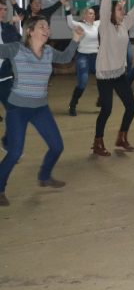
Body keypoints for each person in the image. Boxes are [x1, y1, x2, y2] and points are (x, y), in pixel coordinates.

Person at [0, 16, 84, 207]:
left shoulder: (48, 52)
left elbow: (65, 58)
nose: (47, 30)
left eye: (48, 27)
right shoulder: (16, 49)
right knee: (15, 152)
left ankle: (44, 176)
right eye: (42, 26)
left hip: (40, 108)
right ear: (30, 31)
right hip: (18, 108)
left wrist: (76, 39)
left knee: (57, 146)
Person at [92, 0, 134, 157]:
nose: (123, 12)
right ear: (111, 12)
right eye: (119, 9)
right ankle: (97, 142)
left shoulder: (124, 24)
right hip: (104, 74)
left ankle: (121, 138)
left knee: (131, 107)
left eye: (121, 9)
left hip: (119, 73)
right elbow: (104, 8)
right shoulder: (105, 26)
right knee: (106, 109)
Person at [66, 6, 100, 116]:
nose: (93, 15)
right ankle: (72, 105)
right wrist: (67, 7)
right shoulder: (80, 25)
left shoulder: (97, 24)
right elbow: (70, 23)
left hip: (96, 56)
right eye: (90, 13)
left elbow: (108, 18)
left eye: (93, 13)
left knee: (103, 79)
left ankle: (101, 100)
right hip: (83, 56)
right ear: (84, 16)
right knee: (83, 82)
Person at [0, 0, 22, 148]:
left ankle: (8, 142)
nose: (3, 12)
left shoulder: (8, 28)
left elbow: (21, 44)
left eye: (4, 9)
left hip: (5, 78)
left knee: (13, 111)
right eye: (0, 9)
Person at [6, 0, 72, 26]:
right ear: (31, 4)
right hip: (27, 41)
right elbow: (16, 6)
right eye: (35, 3)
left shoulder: (45, 13)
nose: (38, 4)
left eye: (39, 3)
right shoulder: (25, 13)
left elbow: (56, 6)